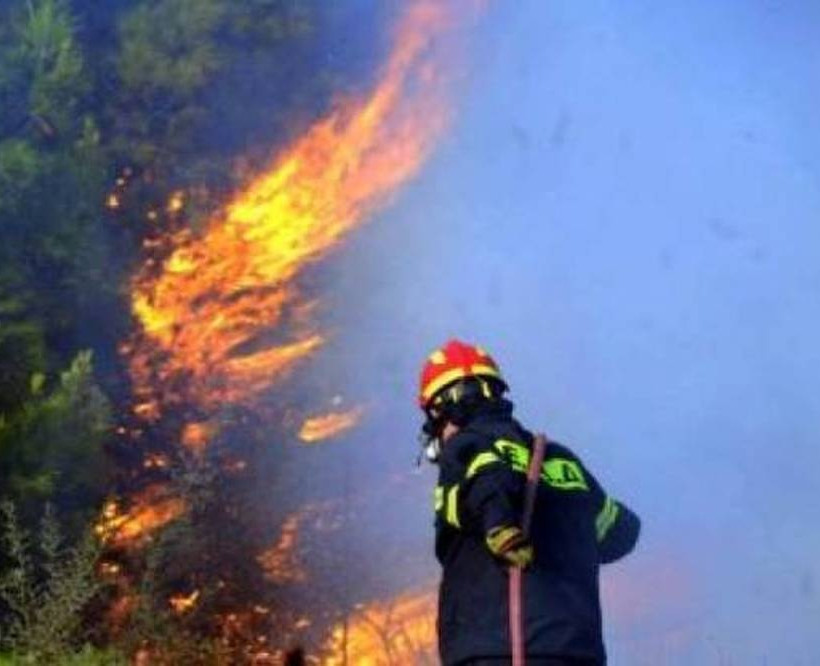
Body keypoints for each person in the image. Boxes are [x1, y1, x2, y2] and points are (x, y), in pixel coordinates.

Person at [418, 339, 641, 666]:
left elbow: (488, 479)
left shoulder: (466, 446)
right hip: (575, 651)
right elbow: (620, 533)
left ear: (441, 412)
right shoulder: (560, 460)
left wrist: (499, 526)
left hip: (496, 650)